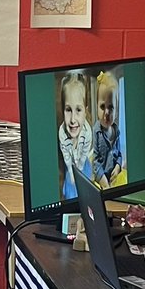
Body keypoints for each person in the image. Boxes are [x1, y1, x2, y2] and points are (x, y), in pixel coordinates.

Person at [57, 70, 92, 199]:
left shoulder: (87, 132)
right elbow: (66, 156)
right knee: (70, 191)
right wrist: (72, 174)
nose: (72, 119)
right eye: (68, 110)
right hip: (70, 163)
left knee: (86, 193)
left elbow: (84, 154)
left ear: (85, 111)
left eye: (78, 110)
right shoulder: (62, 133)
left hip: (83, 161)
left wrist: (79, 171)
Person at [91, 70, 124, 186]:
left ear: (116, 110)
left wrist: (118, 166)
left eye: (111, 107)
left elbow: (119, 154)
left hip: (113, 175)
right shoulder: (96, 132)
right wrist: (103, 181)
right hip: (101, 178)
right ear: (96, 106)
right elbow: (95, 162)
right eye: (102, 106)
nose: (106, 112)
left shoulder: (116, 131)